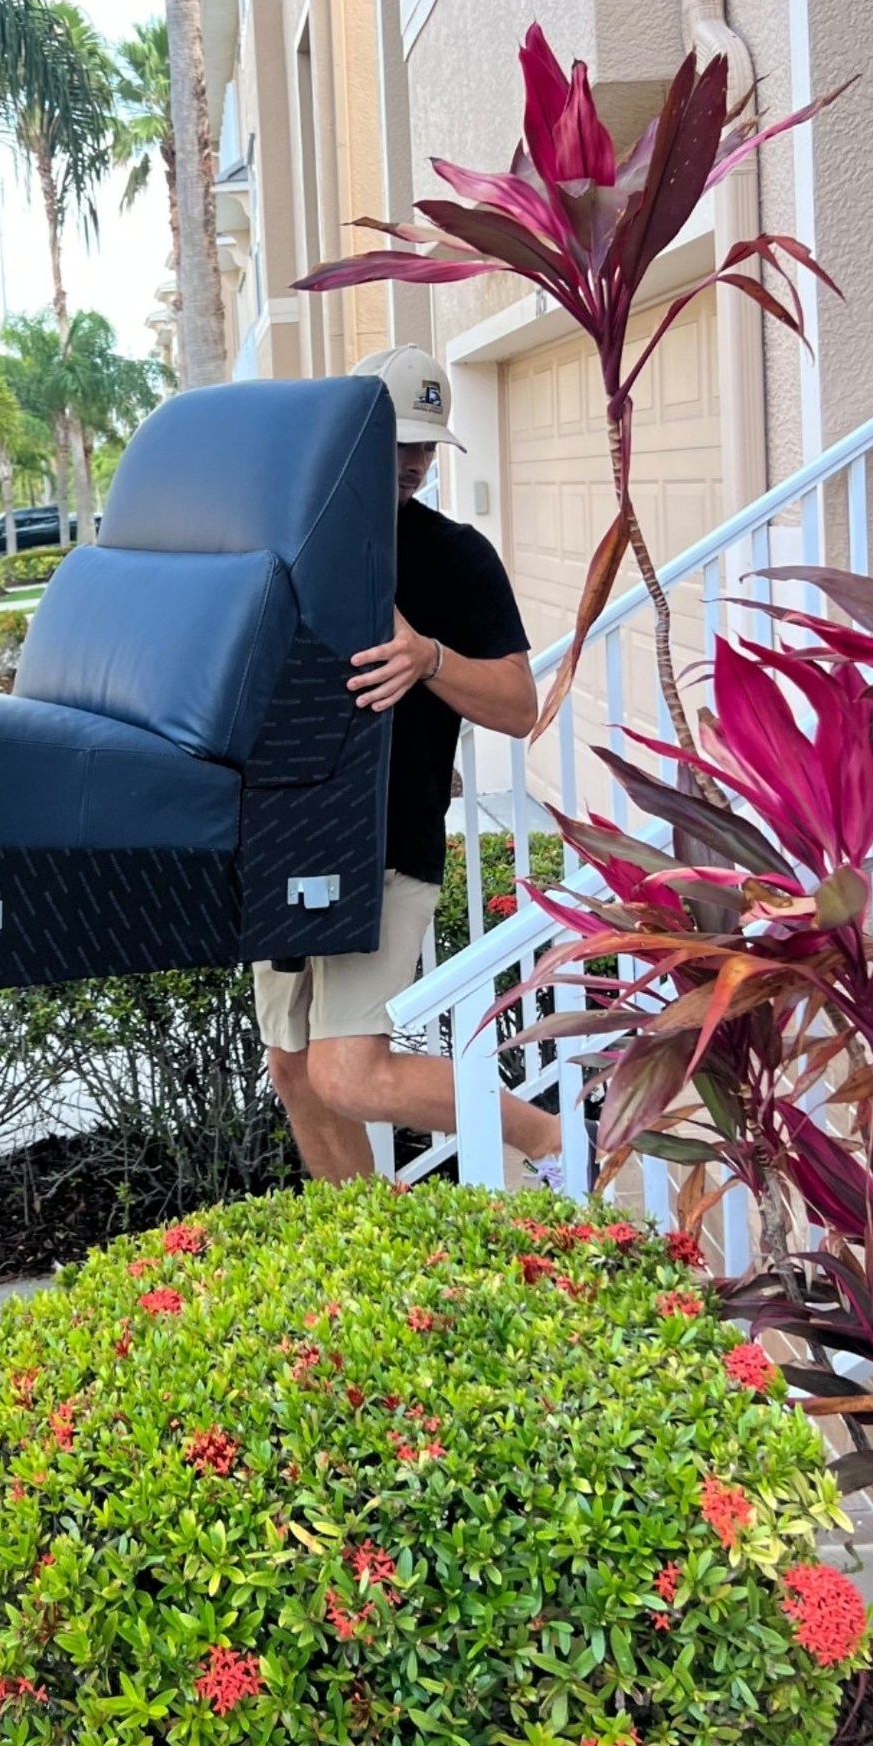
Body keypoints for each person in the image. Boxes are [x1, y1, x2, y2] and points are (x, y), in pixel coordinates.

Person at [255, 346, 563, 1185]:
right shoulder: (287, 536)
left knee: (347, 1074)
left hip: (388, 844)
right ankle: (364, 1236)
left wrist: (430, 658)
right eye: (397, 442)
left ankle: (550, 1138)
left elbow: (519, 704)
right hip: (281, 838)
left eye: (426, 444)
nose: (414, 461)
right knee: (292, 1067)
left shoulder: (457, 556)